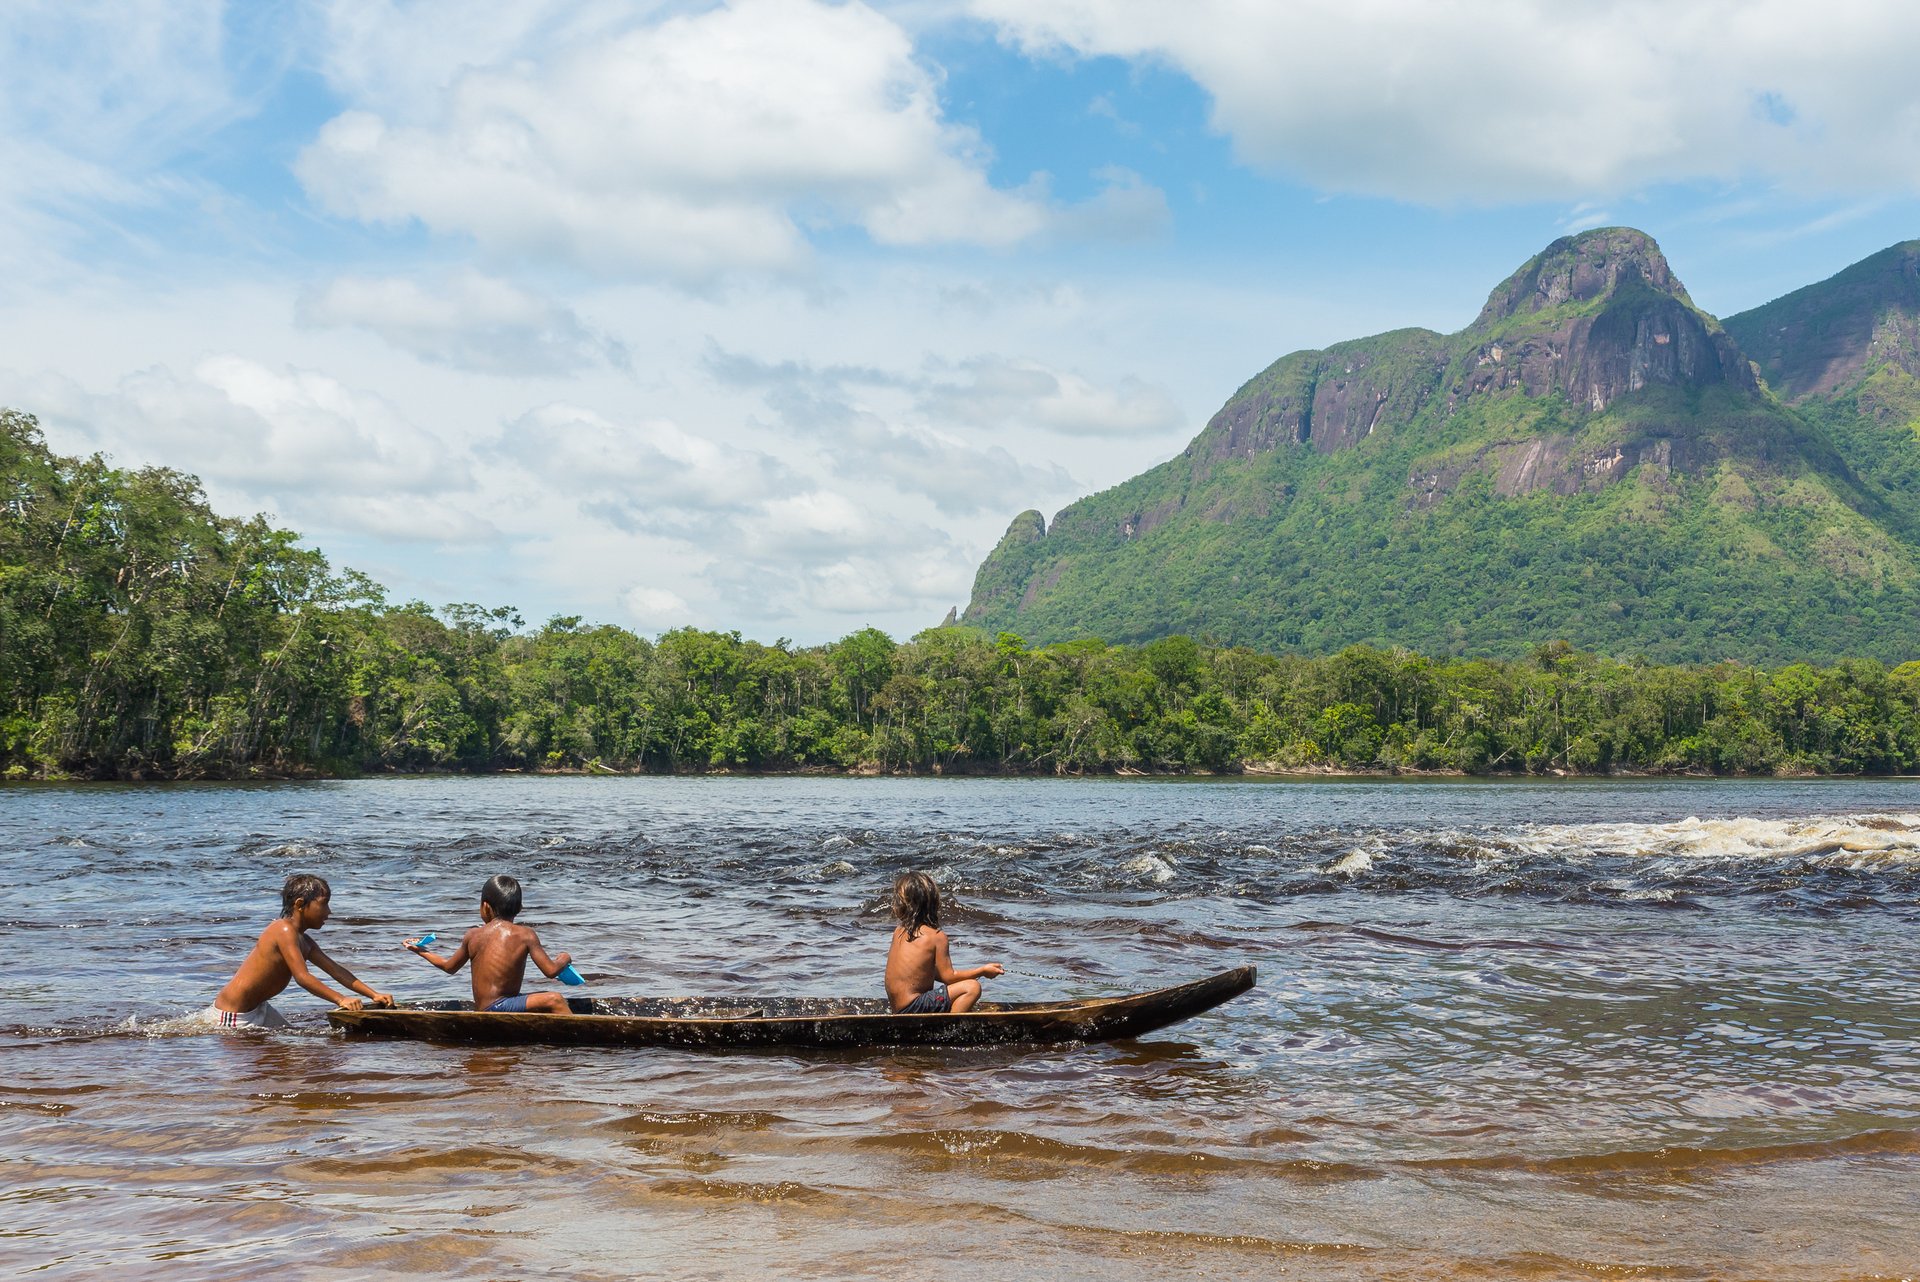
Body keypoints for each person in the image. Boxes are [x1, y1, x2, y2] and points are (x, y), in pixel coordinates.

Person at [203, 873, 393, 1027]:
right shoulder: (283, 929)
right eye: (324, 904)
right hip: (234, 1013)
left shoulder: (305, 941)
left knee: (288, 1046)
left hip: (259, 1008)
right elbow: (303, 977)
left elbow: (336, 971)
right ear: (300, 904)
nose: (329, 912)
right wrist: (340, 999)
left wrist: (373, 994)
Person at [405, 874, 575, 1013]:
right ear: (520, 908)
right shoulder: (526, 934)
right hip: (499, 1007)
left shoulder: (473, 935)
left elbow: (449, 967)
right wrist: (564, 958)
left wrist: (421, 951)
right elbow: (551, 971)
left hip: (486, 1008)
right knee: (555, 999)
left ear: (485, 907)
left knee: (538, 1002)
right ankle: (577, 1042)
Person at [885, 870, 1003, 1013]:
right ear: (934, 903)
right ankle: (948, 1027)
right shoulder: (937, 936)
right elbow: (948, 977)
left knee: (958, 988)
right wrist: (982, 971)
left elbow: (925, 973)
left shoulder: (899, 931)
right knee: (972, 987)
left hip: (898, 1008)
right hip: (914, 1006)